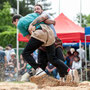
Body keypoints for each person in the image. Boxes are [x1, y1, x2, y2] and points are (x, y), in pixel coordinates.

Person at [12, 12, 78, 82]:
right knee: (52, 58)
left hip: (39, 33)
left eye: (14, 24)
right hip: (50, 34)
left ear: (16, 20)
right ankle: (70, 71)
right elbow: (45, 20)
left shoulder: (19, 24)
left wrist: (38, 45)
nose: (16, 25)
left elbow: (30, 38)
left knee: (25, 53)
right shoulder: (32, 14)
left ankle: (38, 70)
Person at [34, 4, 70, 78]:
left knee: (60, 59)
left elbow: (50, 20)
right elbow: (49, 21)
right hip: (43, 43)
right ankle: (41, 80)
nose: (36, 10)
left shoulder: (44, 14)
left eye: (38, 9)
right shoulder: (34, 18)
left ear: (42, 10)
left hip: (54, 41)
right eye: (35, 9)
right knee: (41, 63)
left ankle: (64, 77)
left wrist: (45, 21)